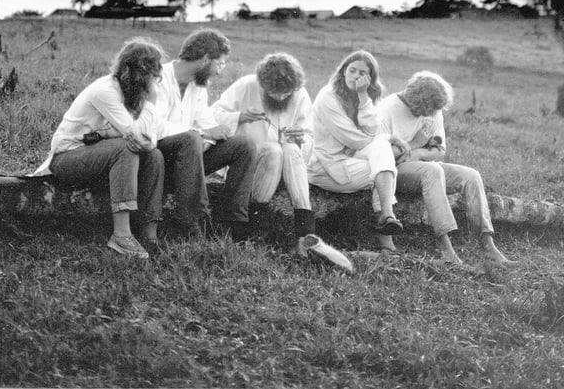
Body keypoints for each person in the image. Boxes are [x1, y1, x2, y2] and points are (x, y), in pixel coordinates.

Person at [210, 52, 351, 269]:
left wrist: (301, 137)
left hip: (290, 170)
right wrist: (239, 116)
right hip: (253, 167)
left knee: (291, 148)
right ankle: (257, 226)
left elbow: (310, 137)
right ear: (262, 83)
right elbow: (213, 115)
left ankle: (306, 233)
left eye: (286, 94)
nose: (280, 99)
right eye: (274, 93)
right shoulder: (247, 85)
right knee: (274, 149)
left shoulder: (300, 94)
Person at [31, 38, 166, 259]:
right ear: (138, 73)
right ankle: (121, 236)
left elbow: (152, 135)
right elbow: (135, 134)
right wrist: (151, 103)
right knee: (126, 148)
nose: (153, 83)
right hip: (67, 159)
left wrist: (148, 141)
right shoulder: (106, 91)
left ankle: (150, 235)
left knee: (155, 155)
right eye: (151, 76)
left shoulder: (129, 93)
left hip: (97, 156)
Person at [377, 70, 514, 266]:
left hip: (422, 164)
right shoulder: (387, 109)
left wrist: (419, 153)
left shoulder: (433, 110)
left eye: (435, 110)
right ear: (419, 102)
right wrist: (416, 144)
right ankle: (445, 247)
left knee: (471, 175)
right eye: (429, 110)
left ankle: (487, 245)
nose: (432, 115)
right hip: (392, 171)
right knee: (433, 170)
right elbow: (380, 156)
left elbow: (439, 151)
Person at [155, 28, 257, 239]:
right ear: (204, 59)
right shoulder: (158, 79)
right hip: (159, 159)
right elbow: (154, 127)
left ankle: (233, 223)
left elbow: (209, 125)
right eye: (219, 63)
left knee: (244, 145)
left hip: (190, 156)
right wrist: (198, 134)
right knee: (191, 138)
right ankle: (192, 223)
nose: (220, 72)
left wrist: (206, 138)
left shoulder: (198, 86)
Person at [307, 50, 405, 239]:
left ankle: (387, 215)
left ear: (370, 78)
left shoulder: (365, 96)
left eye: (362, 73)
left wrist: (363, 97)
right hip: (326, 166)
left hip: (351, 159)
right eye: (352, 70)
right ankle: (386, 228)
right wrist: (388, 138)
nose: (355, 76)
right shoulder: (327, 97)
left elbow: (373, 130)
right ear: (343, 71)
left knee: (382, 156)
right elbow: (351, 139)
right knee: (385, 162)